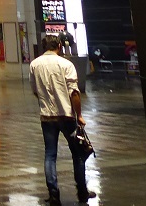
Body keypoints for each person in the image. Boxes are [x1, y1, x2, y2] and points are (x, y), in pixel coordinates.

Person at [30, 35, 96, 205]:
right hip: (67, 116)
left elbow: (35, 91)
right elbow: (74, 93)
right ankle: (82, 192)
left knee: (50, 155)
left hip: (47, 117)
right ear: (59, 46)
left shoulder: (34, 65)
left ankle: (53, 194)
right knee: (78, 154)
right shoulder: (66, 64)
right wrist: (79, 115)